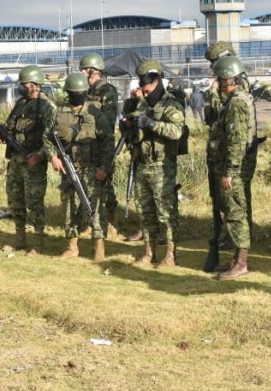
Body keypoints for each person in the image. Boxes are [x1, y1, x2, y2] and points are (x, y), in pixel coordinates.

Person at [123, 60, 185, 267]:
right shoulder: (142, 103)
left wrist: (151, 124)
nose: (145, 91)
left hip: (162, 167)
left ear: (157, 81)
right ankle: (149, 253)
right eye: (142, 87)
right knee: (146, 212)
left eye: (148, 87)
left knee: (166, 213)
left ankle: (170, 255)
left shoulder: (171, 105)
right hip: (141, 164)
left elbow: (176, 132)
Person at [0, 65, 57, 255]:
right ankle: (20, 239)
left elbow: (51, 139)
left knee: (35, 203)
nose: (22, 87)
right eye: (21, 84)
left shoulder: (47, 107)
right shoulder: (21, 103)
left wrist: (39, 155)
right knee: (15, 200)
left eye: (25, 84)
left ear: (36, 85)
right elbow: (9, 127)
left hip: (33, 163)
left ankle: (37, 243)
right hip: (15, 161)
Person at [52, 72, 114, 261]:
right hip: (68, 169)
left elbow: (108, 142)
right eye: (73, 92)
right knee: (70, 207)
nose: (77, 95)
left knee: (95, 208)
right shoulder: (58, 113)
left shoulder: (95, 113)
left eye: (80, 92)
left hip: (92, 169)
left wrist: (104, 167)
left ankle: (99, 248)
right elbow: (47, 138)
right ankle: (72, 247)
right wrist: (53, 157)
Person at [208, 55, 256, 279]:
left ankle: (242, 262)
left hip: (232, 170)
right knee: (233, 212)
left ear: (228, 80)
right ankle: (237, 259)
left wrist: (229, 171)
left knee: (236, 214)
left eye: (219, 79)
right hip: (230, 167)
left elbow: (237, 141)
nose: (216, 83)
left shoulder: (236, 103)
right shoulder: (235, 100)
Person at [79, 52, 122, 236]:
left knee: (105, 185)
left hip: (102, 144)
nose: (81, 72)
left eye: (84, 69)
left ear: (93, 71)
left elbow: (109, 123)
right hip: (85, 145)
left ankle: (112, 221)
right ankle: (90, 222)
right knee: (87, 185)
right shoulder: (84, 90)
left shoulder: (107, 91)